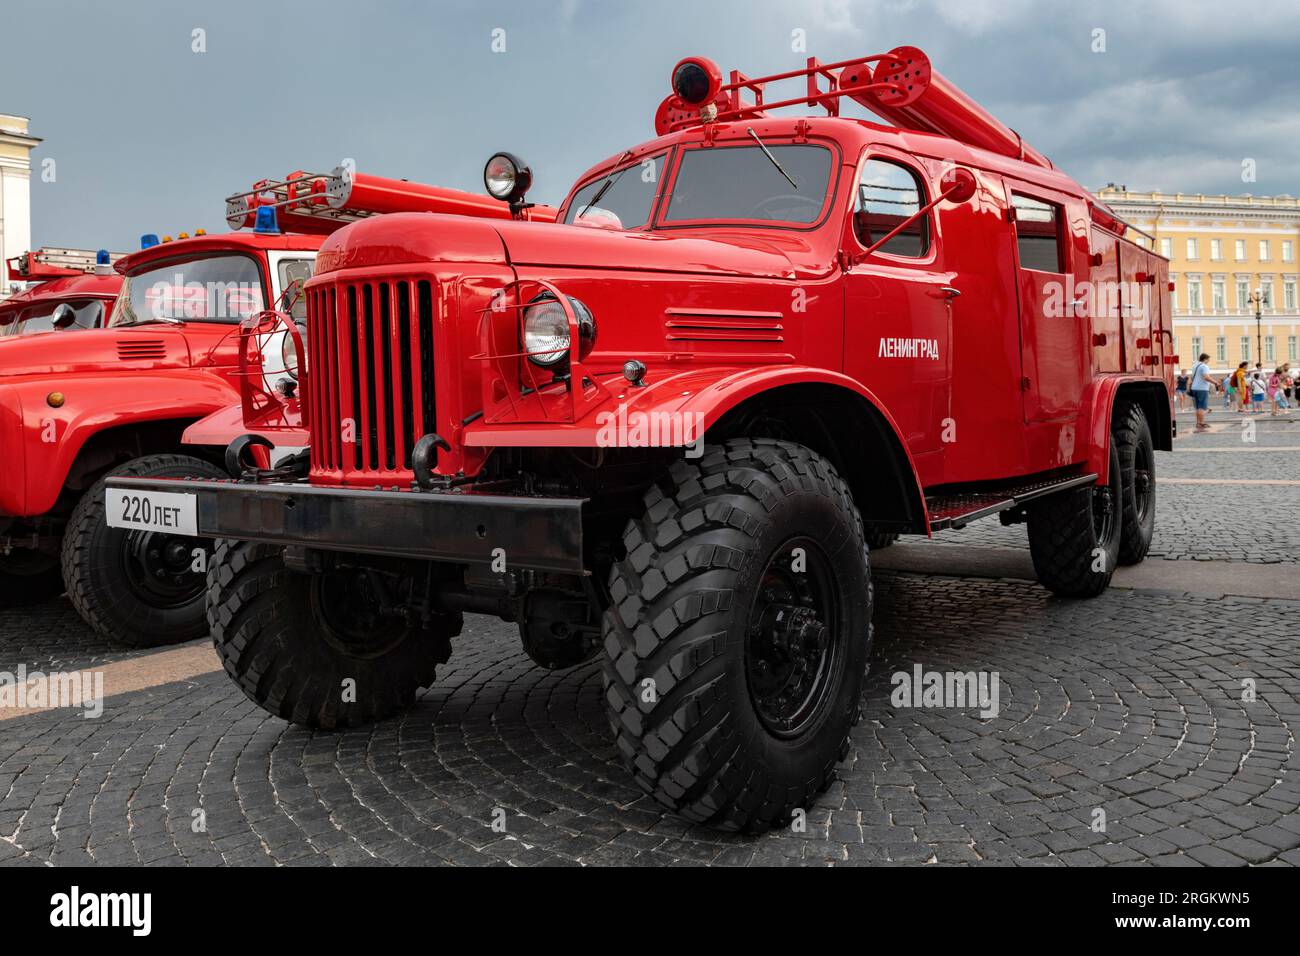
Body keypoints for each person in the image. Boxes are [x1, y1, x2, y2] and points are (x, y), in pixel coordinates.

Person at [1188, 353, 1220, 431]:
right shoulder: (1204, 366)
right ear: (1205, 359)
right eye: (1208, 359)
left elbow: (1192, 377)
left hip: (1194, 388)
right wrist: (1215, 382)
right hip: (1202, 388)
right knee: (1202, 407)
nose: (1209, 361)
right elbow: (1206, 377)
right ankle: (1202, 423)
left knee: (1197, 407)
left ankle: (1198, 423)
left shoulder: (1195, 365)